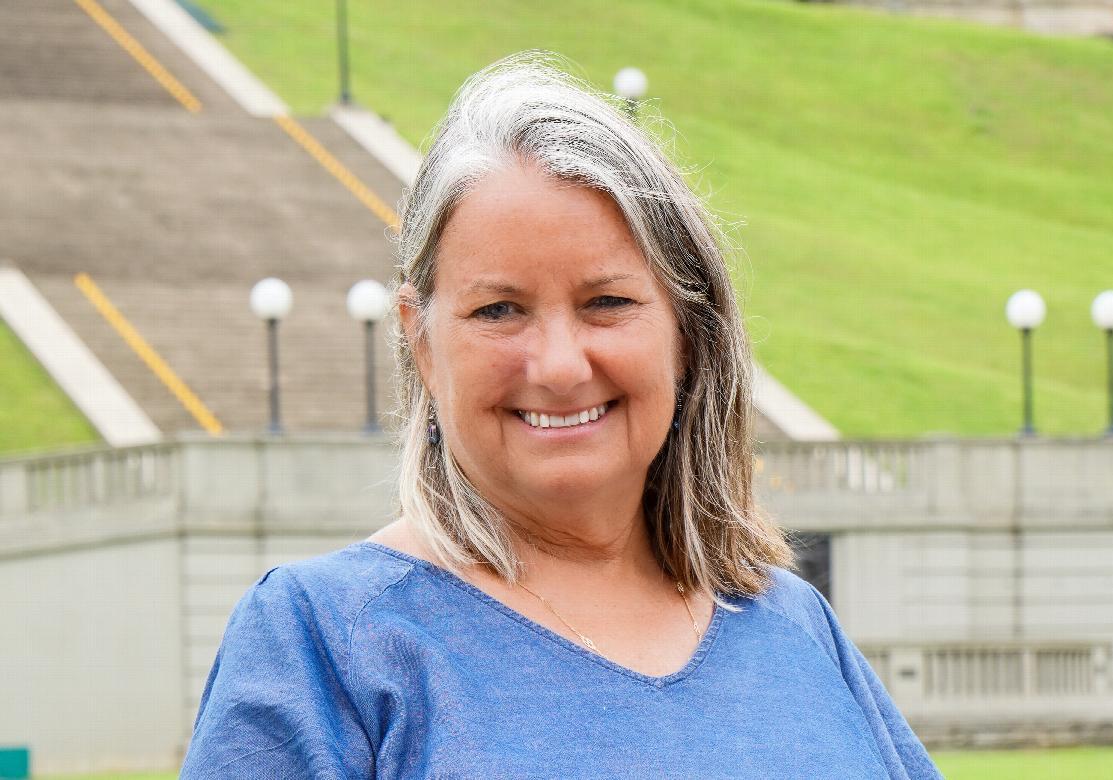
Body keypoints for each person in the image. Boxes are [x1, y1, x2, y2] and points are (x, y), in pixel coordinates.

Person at [181, 53, 942, 779]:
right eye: (498, 310)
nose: (559, 366)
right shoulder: (324, 643)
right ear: (422, 342)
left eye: (606, 302)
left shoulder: (794, 625)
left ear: (687, 332)